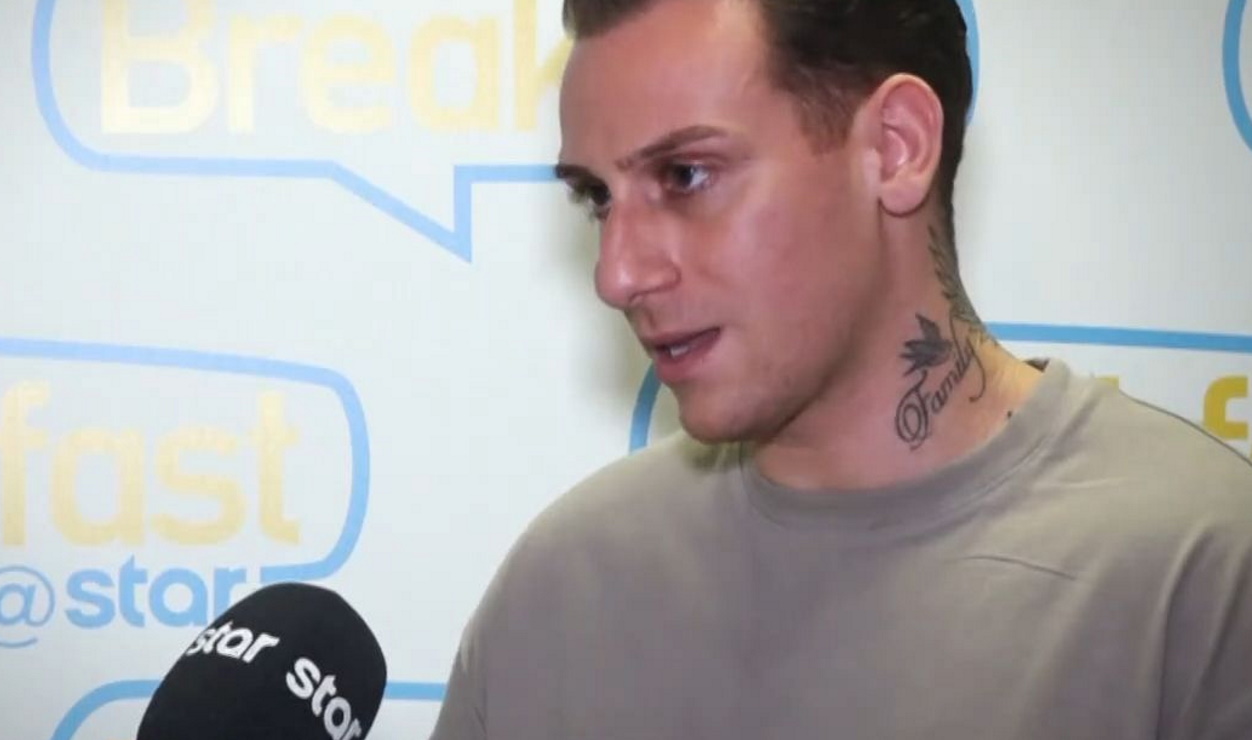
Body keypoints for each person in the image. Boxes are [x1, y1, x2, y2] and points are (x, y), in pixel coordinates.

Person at [430, 0, 1252, 737]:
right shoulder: (564, 588)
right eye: (597, 198)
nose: (617, 274)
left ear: (896, 147)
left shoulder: (1201, 575)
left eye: (686, 176)